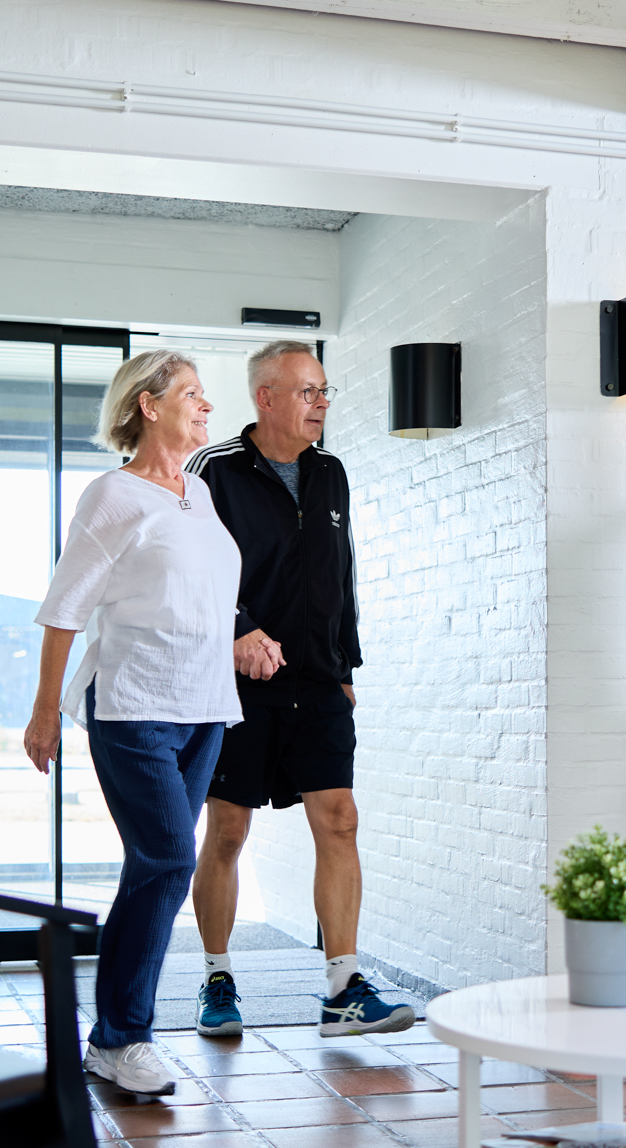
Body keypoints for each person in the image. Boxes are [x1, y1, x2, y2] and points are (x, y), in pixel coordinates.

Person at [23, 349, 249, 1097]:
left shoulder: (198, 494)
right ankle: (123, 1037)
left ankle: (111, 1039)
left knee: (153, 867)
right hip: (133, 705)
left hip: (204, 708)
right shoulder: (112, 495)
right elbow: (65, 608)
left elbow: (200, 596)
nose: (207, 406)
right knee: (170, 860)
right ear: (149, 406)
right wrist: (46, 711)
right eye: (192, 394)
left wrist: (240, 638)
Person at [183, 339, 415, 1038]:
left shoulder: (329, 472)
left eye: (323, 392)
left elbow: (341, 573)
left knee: (339, 819)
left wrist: (345, 668)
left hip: (317, 682)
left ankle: (342, 986)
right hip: (237, 685)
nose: (321, 404)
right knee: (228, 830)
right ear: (267, 398)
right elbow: (188, 568)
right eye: (308, 391)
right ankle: (217, 977)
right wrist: (238, 630)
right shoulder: (214, 469)